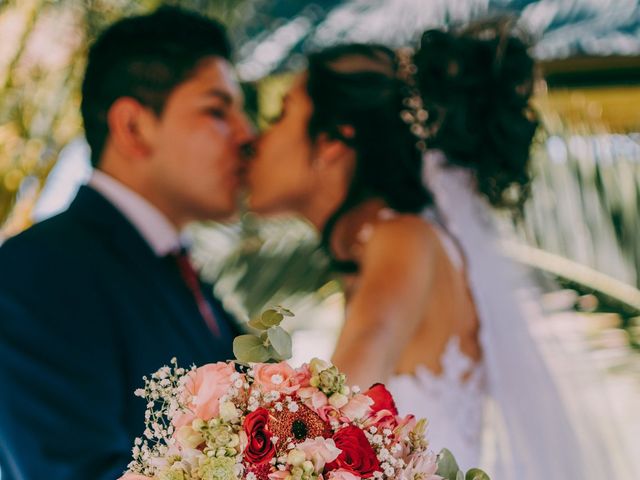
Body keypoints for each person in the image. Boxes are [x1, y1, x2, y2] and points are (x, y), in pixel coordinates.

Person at [245, 20, 627, 479]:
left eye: (280, 114)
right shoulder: (399, 245)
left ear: (332, 142)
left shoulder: (403, 239)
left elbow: (333, 416)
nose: (255, 139)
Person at [0, 6, 252, 479]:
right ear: (133, 126)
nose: (247, 134)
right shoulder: (35, 273)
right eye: (217, 111)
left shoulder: (181, 274)